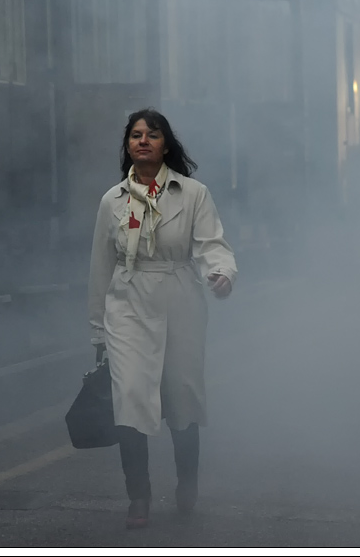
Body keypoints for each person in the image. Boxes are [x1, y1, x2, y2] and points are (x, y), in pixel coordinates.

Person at [88, 108, 237, 529]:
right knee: (131, 397)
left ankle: (186, 480)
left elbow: (213, 244)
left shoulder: (192, 194)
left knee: (181, 396)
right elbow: (100, 266)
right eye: (135, 135)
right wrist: (98, 326)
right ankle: (139, 496)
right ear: (128, 145)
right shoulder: (112, 201)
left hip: (180, 301)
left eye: (151, 135)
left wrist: (221, 273)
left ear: (165, 144)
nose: (143, 141)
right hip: (128, 304)